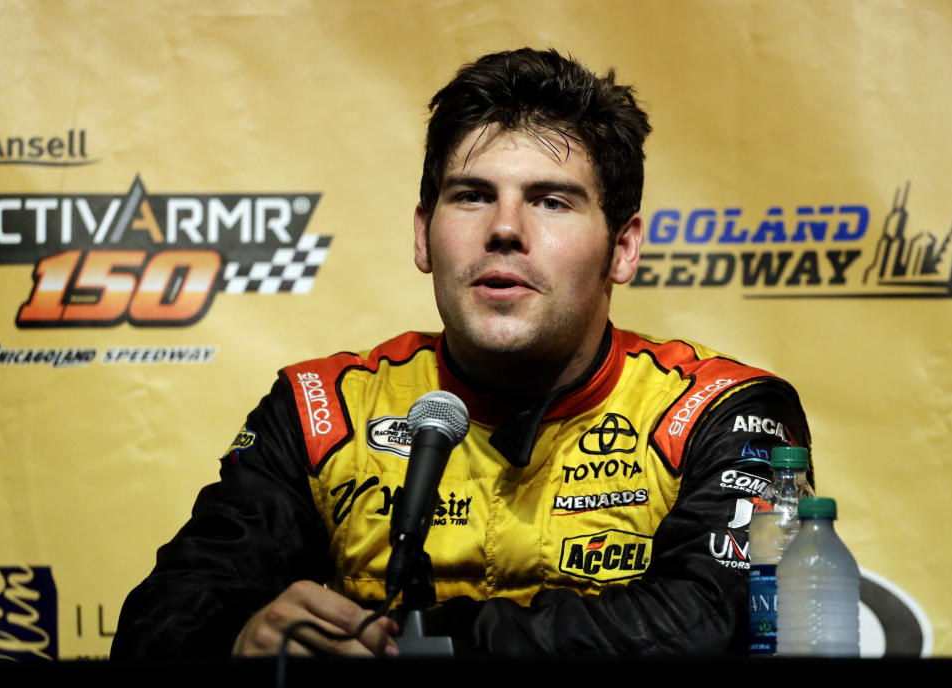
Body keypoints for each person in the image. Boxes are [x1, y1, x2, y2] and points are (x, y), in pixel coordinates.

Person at [111, 48, 810, 659]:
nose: (505, 229)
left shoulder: (723, 411)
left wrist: (411, 640)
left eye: (552, 202)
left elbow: (710, 624)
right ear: (424, 237)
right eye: (472, 197)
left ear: (622, 248)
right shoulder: (322, 409)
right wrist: (240, 637)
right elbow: (160, 622)